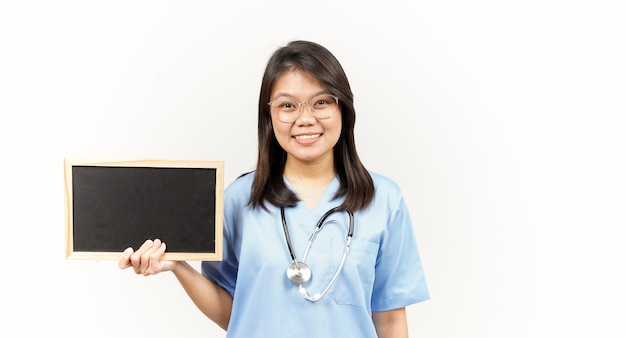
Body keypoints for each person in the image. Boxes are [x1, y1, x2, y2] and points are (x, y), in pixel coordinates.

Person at [119, 40, 429, 337]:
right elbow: (235, 314)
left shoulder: (384, 199)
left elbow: (389, 319)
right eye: (287, 105)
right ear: (269, 115)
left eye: (321, 102)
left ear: (343, 109)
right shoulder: (238, 200)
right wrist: (178, 267)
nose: (305, 118)